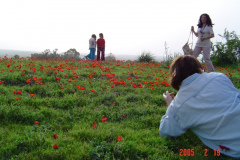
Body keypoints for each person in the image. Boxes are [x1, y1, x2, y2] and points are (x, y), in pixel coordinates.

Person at [159, 55, 240, 159]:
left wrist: (170, 105)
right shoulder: (219, 77)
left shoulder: (179, 104)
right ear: (199, 68)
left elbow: (165, 131)